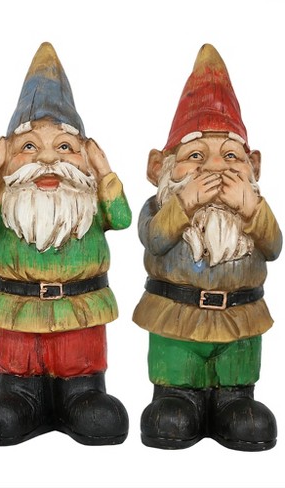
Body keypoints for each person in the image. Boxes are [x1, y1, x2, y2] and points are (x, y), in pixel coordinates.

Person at [0, 42, 131, 446]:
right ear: (6, 157)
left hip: (81, 314)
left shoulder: (88, 202)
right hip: (17, 315)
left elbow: (123, 218)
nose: (48, 160)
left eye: (64, 147)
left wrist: (105, 172)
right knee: (8, 401)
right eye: (28, 147)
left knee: (90, 397)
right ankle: (19, 396)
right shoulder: (6, 201)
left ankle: (82, 394)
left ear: (86, 157)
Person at [133, 44, 282, 451]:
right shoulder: (160, 208)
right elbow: (155, 240)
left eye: (230, 155)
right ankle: (175, 396)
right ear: (160, 168)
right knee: (174, 400)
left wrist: (252, 210)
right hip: (176, 319)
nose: (215, 167)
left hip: (241, 320)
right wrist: (184, 204)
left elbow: (274, 247)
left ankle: (235, 400)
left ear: (254, 166)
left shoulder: (254, 211)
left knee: (240, 392)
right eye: (196, 155)